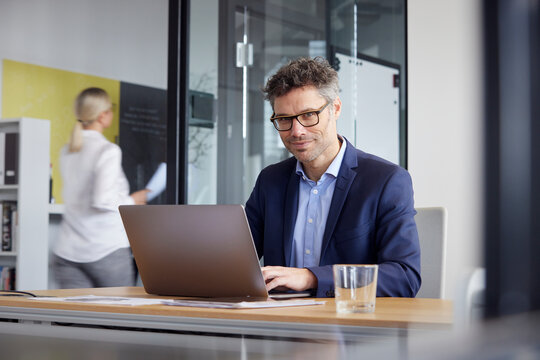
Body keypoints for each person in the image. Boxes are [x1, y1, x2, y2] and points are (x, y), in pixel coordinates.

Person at [245, 57, 421, 298]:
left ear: (335, 108)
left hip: (351, 326)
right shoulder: (271, 180)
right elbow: (235, 260)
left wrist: (311, 277)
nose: (297, 131)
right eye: (284, 119)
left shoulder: (386, 181)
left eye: (308, 115)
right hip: (280, 323)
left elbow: (404, 277)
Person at [53, 87, 149, 288]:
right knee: (120, 317)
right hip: (105, 250)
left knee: (75, 318)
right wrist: (133, 200)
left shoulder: (67, 150)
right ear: (103, 115)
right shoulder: (108, 150)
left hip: (68, 251)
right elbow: (102, 199)